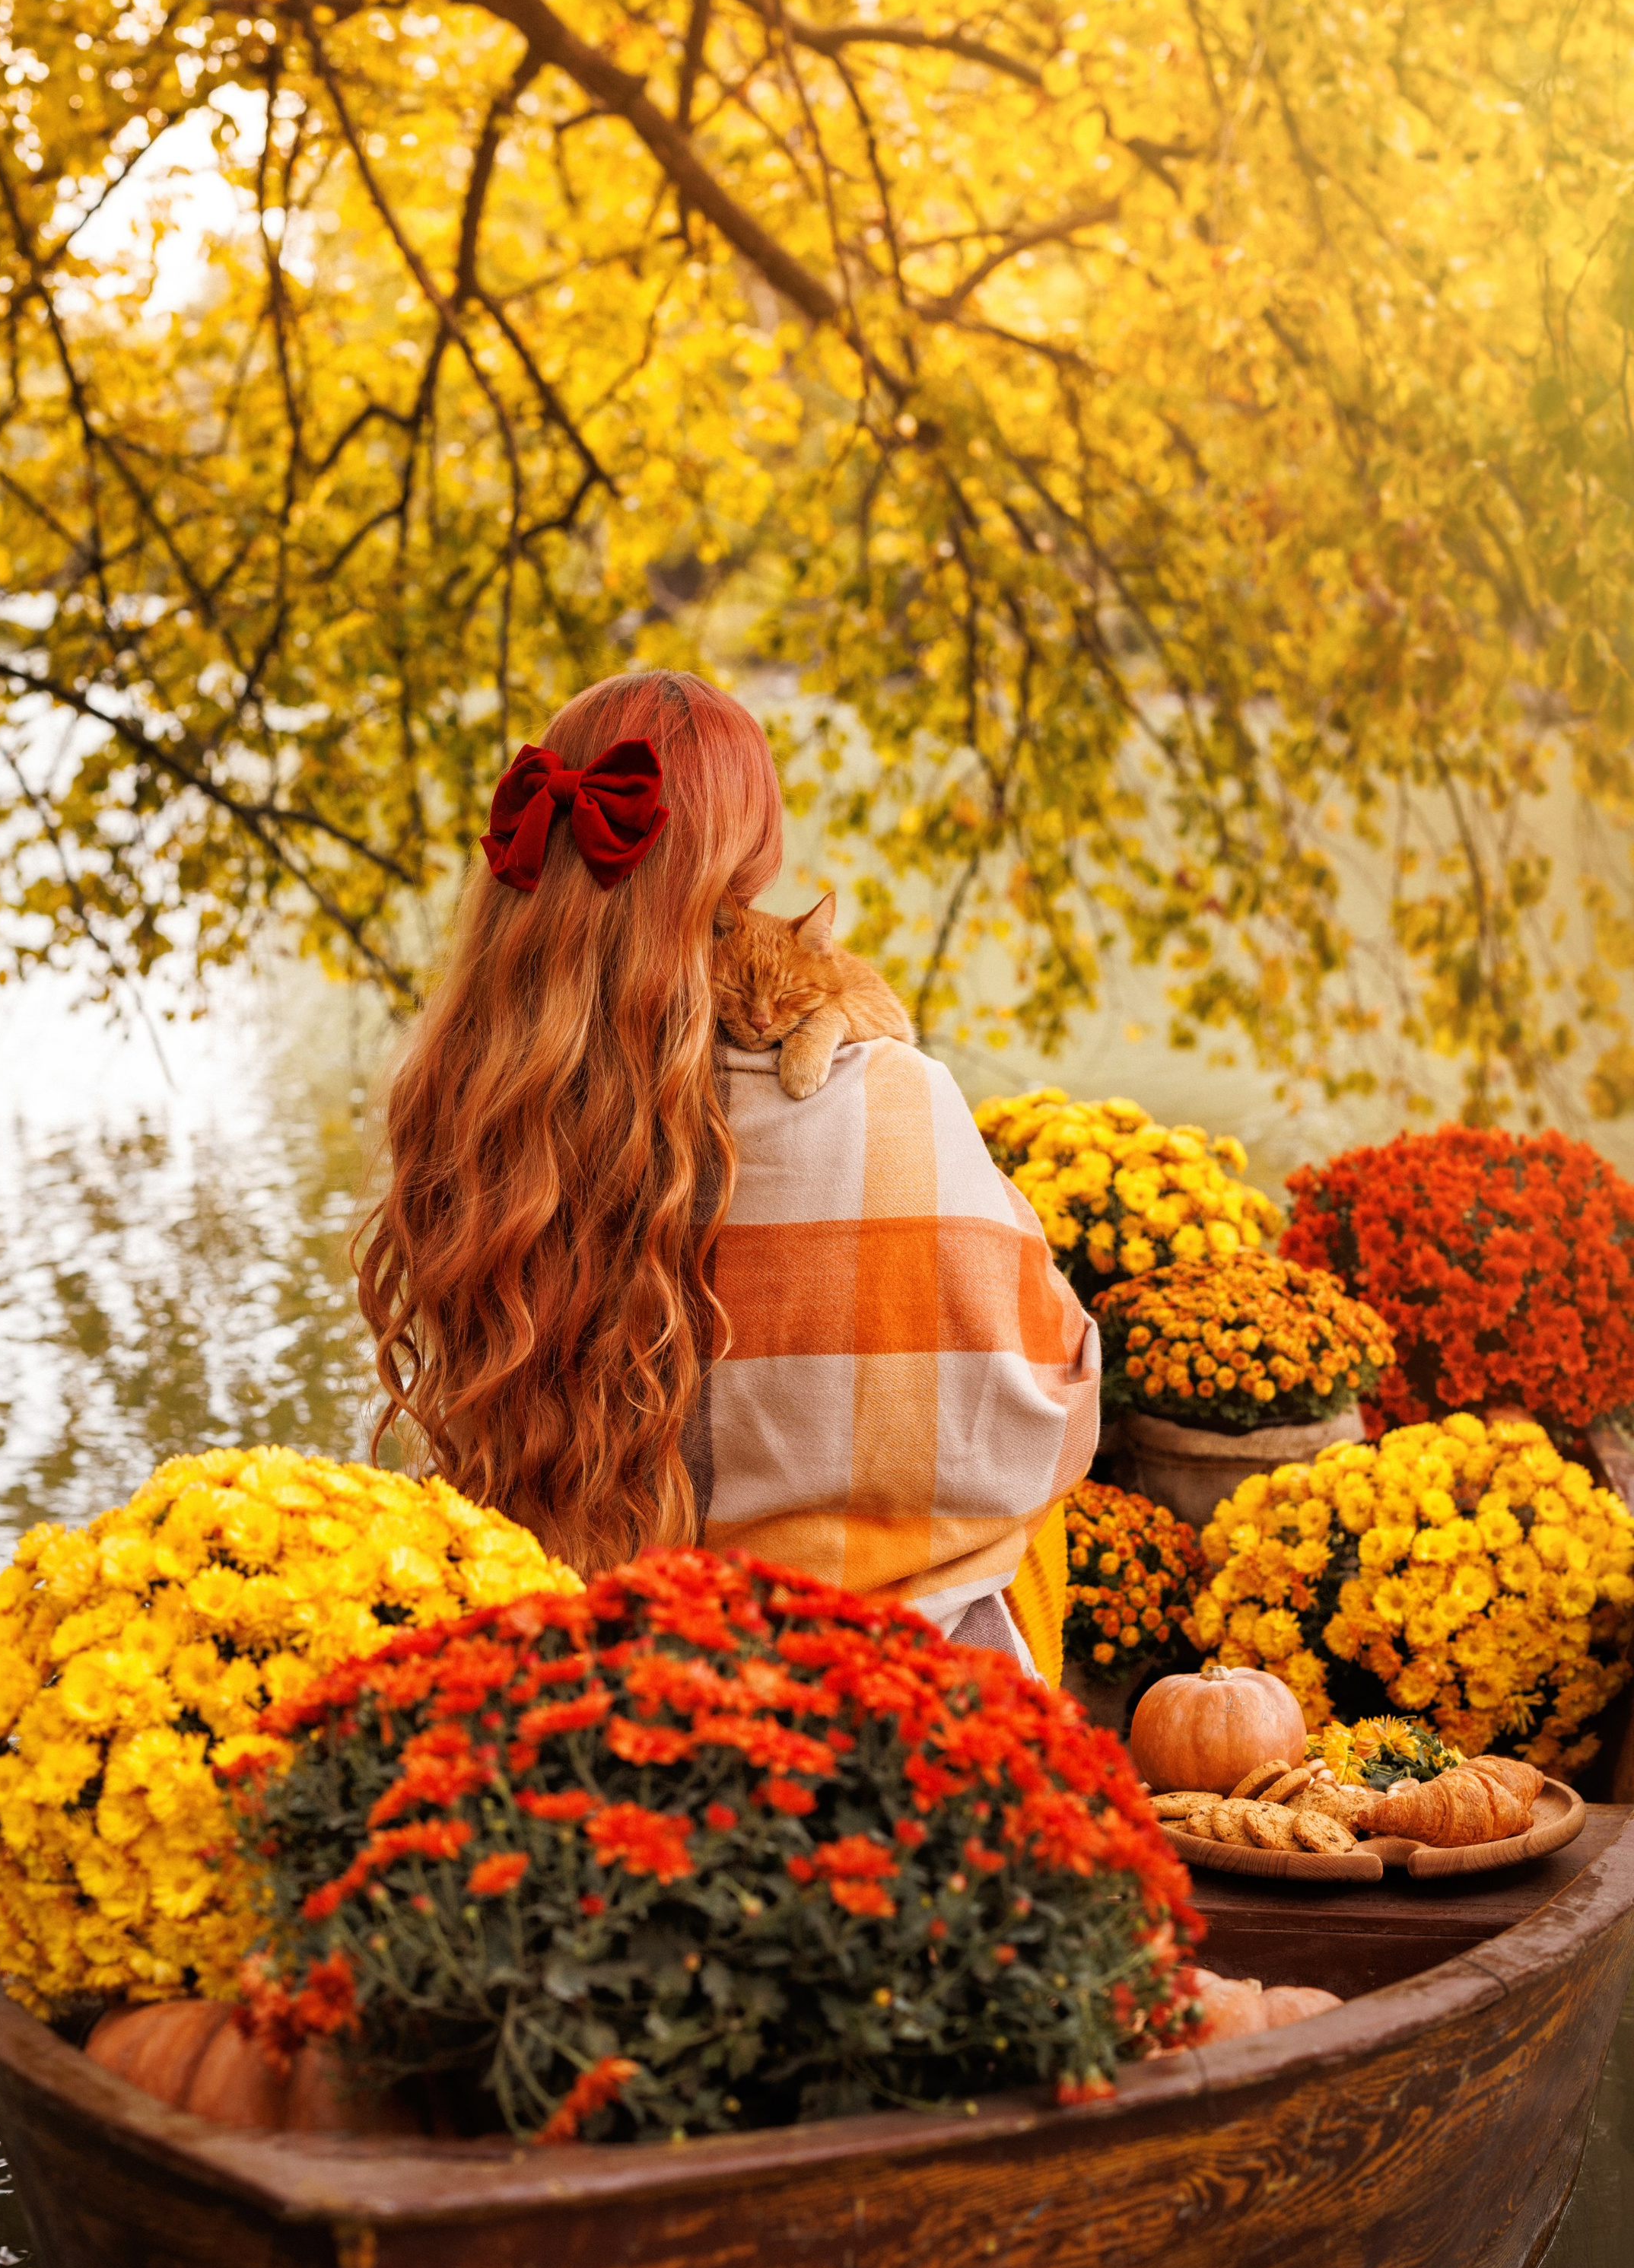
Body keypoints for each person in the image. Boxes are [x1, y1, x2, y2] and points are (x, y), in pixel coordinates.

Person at [355, 670, 1099, 1675]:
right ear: (744, 868)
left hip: (595, 1679)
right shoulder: (889, 1100)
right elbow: (1046, 1417)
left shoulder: (477, 1107)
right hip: (887, 1698)